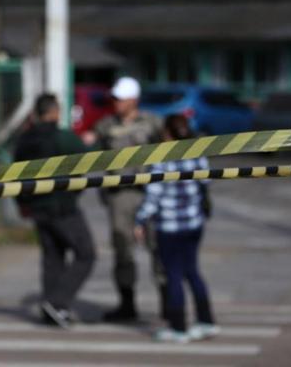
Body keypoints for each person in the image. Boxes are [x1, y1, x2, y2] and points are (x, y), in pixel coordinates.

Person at [134, 114, 219, 343]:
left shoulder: (161, 159)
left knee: (173, 276)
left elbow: (153, 196)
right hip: (193, 223)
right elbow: (205, 184)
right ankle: (206, 321)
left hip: (169, 227)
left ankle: (178, 328)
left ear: (167, 134)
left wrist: (140, 220)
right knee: (192, 272)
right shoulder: (197, 154)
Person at [14, 93, 96, 328]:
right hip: (62, 206)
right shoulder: (63, 138)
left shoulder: (24, 140)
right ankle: (57, 301)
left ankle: (51, 311)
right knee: (86, 254)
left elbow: (14, 174)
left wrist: (22, 204)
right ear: (54, 112)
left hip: (36, 208)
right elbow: (88, 159)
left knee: (53, 259)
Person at [92, 77, 164, 322]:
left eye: (121, 98)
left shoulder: (153, 123)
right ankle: (127, 304)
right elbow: (97, 153)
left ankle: (167, 302)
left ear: (134, 100)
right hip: (120, 195)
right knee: (122, 248)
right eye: (114, 98)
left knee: (158, 246)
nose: (116, 103)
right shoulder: (105, 126)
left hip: (150, 192)